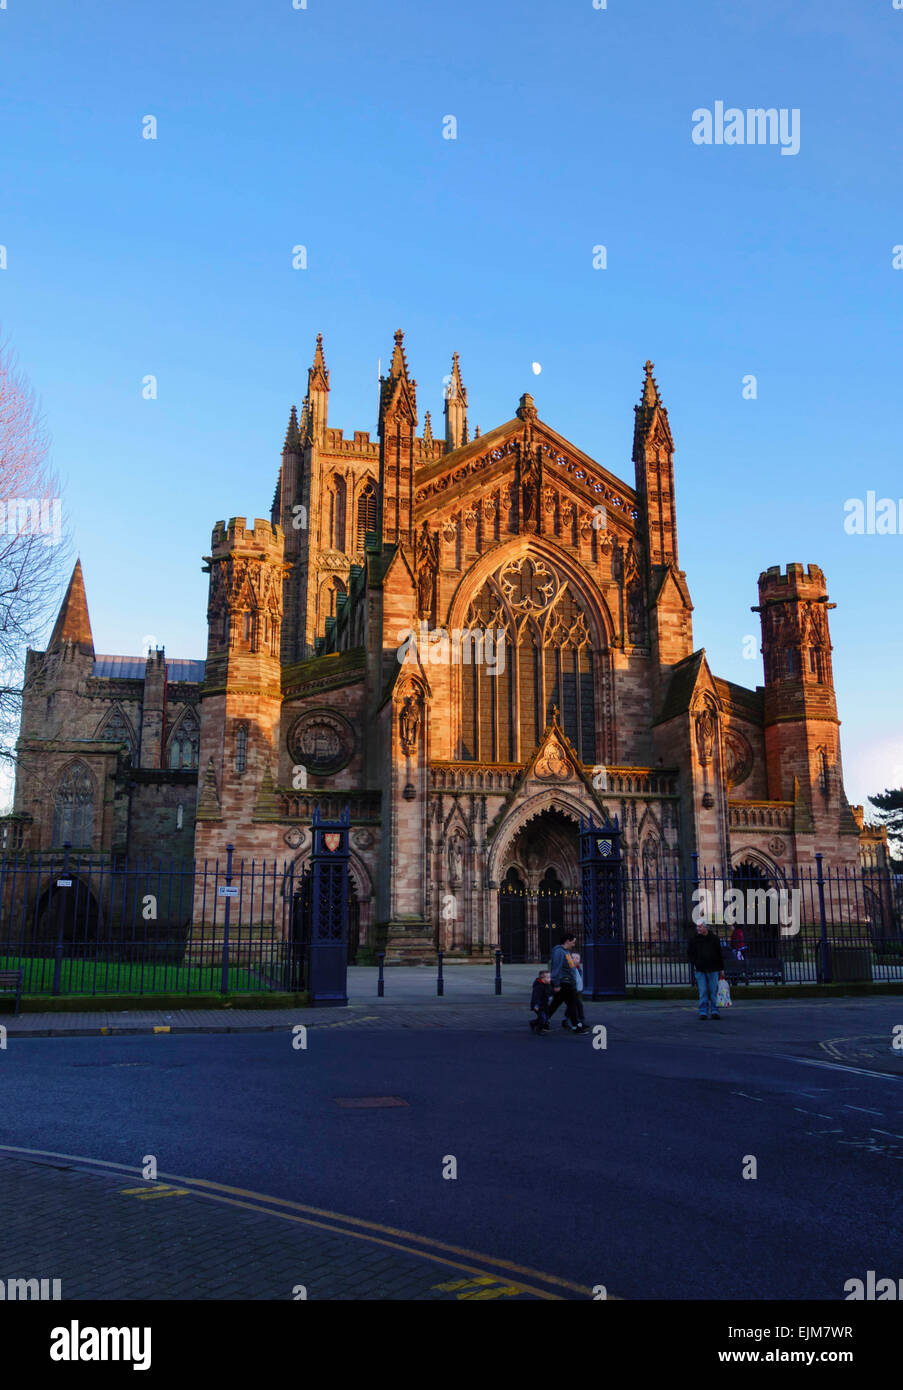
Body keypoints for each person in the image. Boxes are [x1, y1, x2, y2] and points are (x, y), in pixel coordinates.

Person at [547, 932, 585, 1032]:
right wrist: (556, 983)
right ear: (567, 941)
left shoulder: (566, 952)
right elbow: (556, 968)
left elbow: (570, 968)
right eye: (573, 942)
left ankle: (542, 1021)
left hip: (568, 983)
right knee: (572, 1004)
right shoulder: (559, 952)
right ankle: (576, 1026)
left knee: (556, 1004)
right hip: (564, 983)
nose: (574, 944)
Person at [687, 922, 725, 1019]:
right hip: (700, 969)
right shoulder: (694, 940)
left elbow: (719, 954)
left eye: (700, 927)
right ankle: (703, 1012)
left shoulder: (714, 939)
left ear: (706, 927)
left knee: (713, 991)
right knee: (703, 991)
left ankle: (714, 1011)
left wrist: (721, 969)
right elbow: (690, 953)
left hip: (713, 968)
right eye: (697, 927)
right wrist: (695, 962)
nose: (698, 928)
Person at [529, 969, 553, 1033]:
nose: (550, 979)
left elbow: (550, 992)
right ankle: (538, 1030)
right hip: (538, 1006)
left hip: (544, 1005)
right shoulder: (539, 987)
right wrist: (536, 1005)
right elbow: (536, 997)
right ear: (542, 978)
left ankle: (533, 1023)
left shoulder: (547, 985)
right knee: (543, 1018)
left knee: (544, 1018)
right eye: (548, 977)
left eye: (550, 977)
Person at [571, 951, 586, 1029]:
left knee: (578, 1005)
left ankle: (581, 1021)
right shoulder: (570, 969)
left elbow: (579, 980)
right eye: (573, 958)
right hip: (571, 990)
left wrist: (580, 988)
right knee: (575, 1006)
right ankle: (578, 1022)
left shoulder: (579, 969)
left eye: (577, 958)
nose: (575, 959)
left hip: (576, 990)